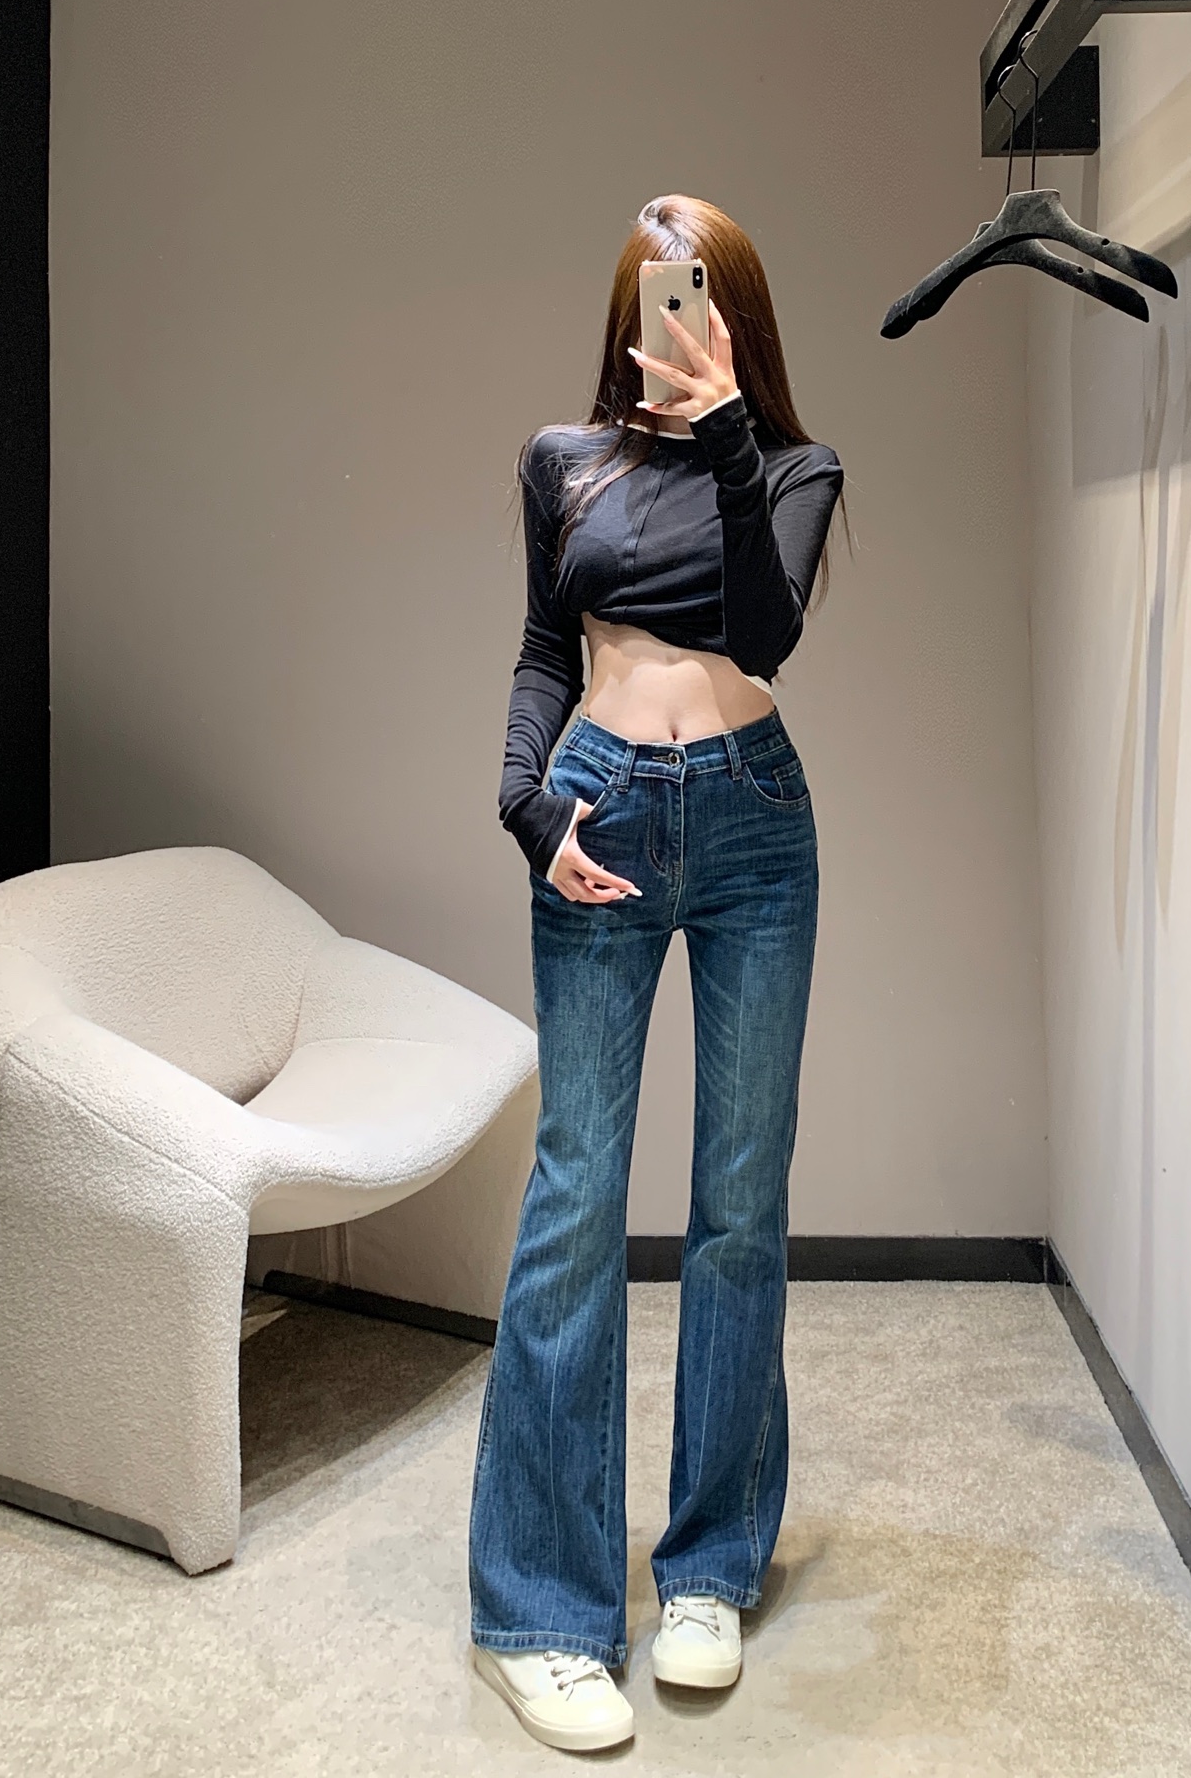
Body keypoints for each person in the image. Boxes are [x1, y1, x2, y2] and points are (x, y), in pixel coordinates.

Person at [469, 194, 846, 1752]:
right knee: (575, 1195)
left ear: (733, 310)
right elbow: (544, 651)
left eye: (695, 294)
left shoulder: (798, 468)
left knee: (741, 1199)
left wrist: (733, 431)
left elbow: (766, 633)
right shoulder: (564, 462)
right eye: (650, 293)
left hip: (756, 820)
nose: (670, 318)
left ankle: (707, 1572)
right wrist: (525, 804)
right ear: (627, 308)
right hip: (603, 809)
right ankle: (540, 1613)